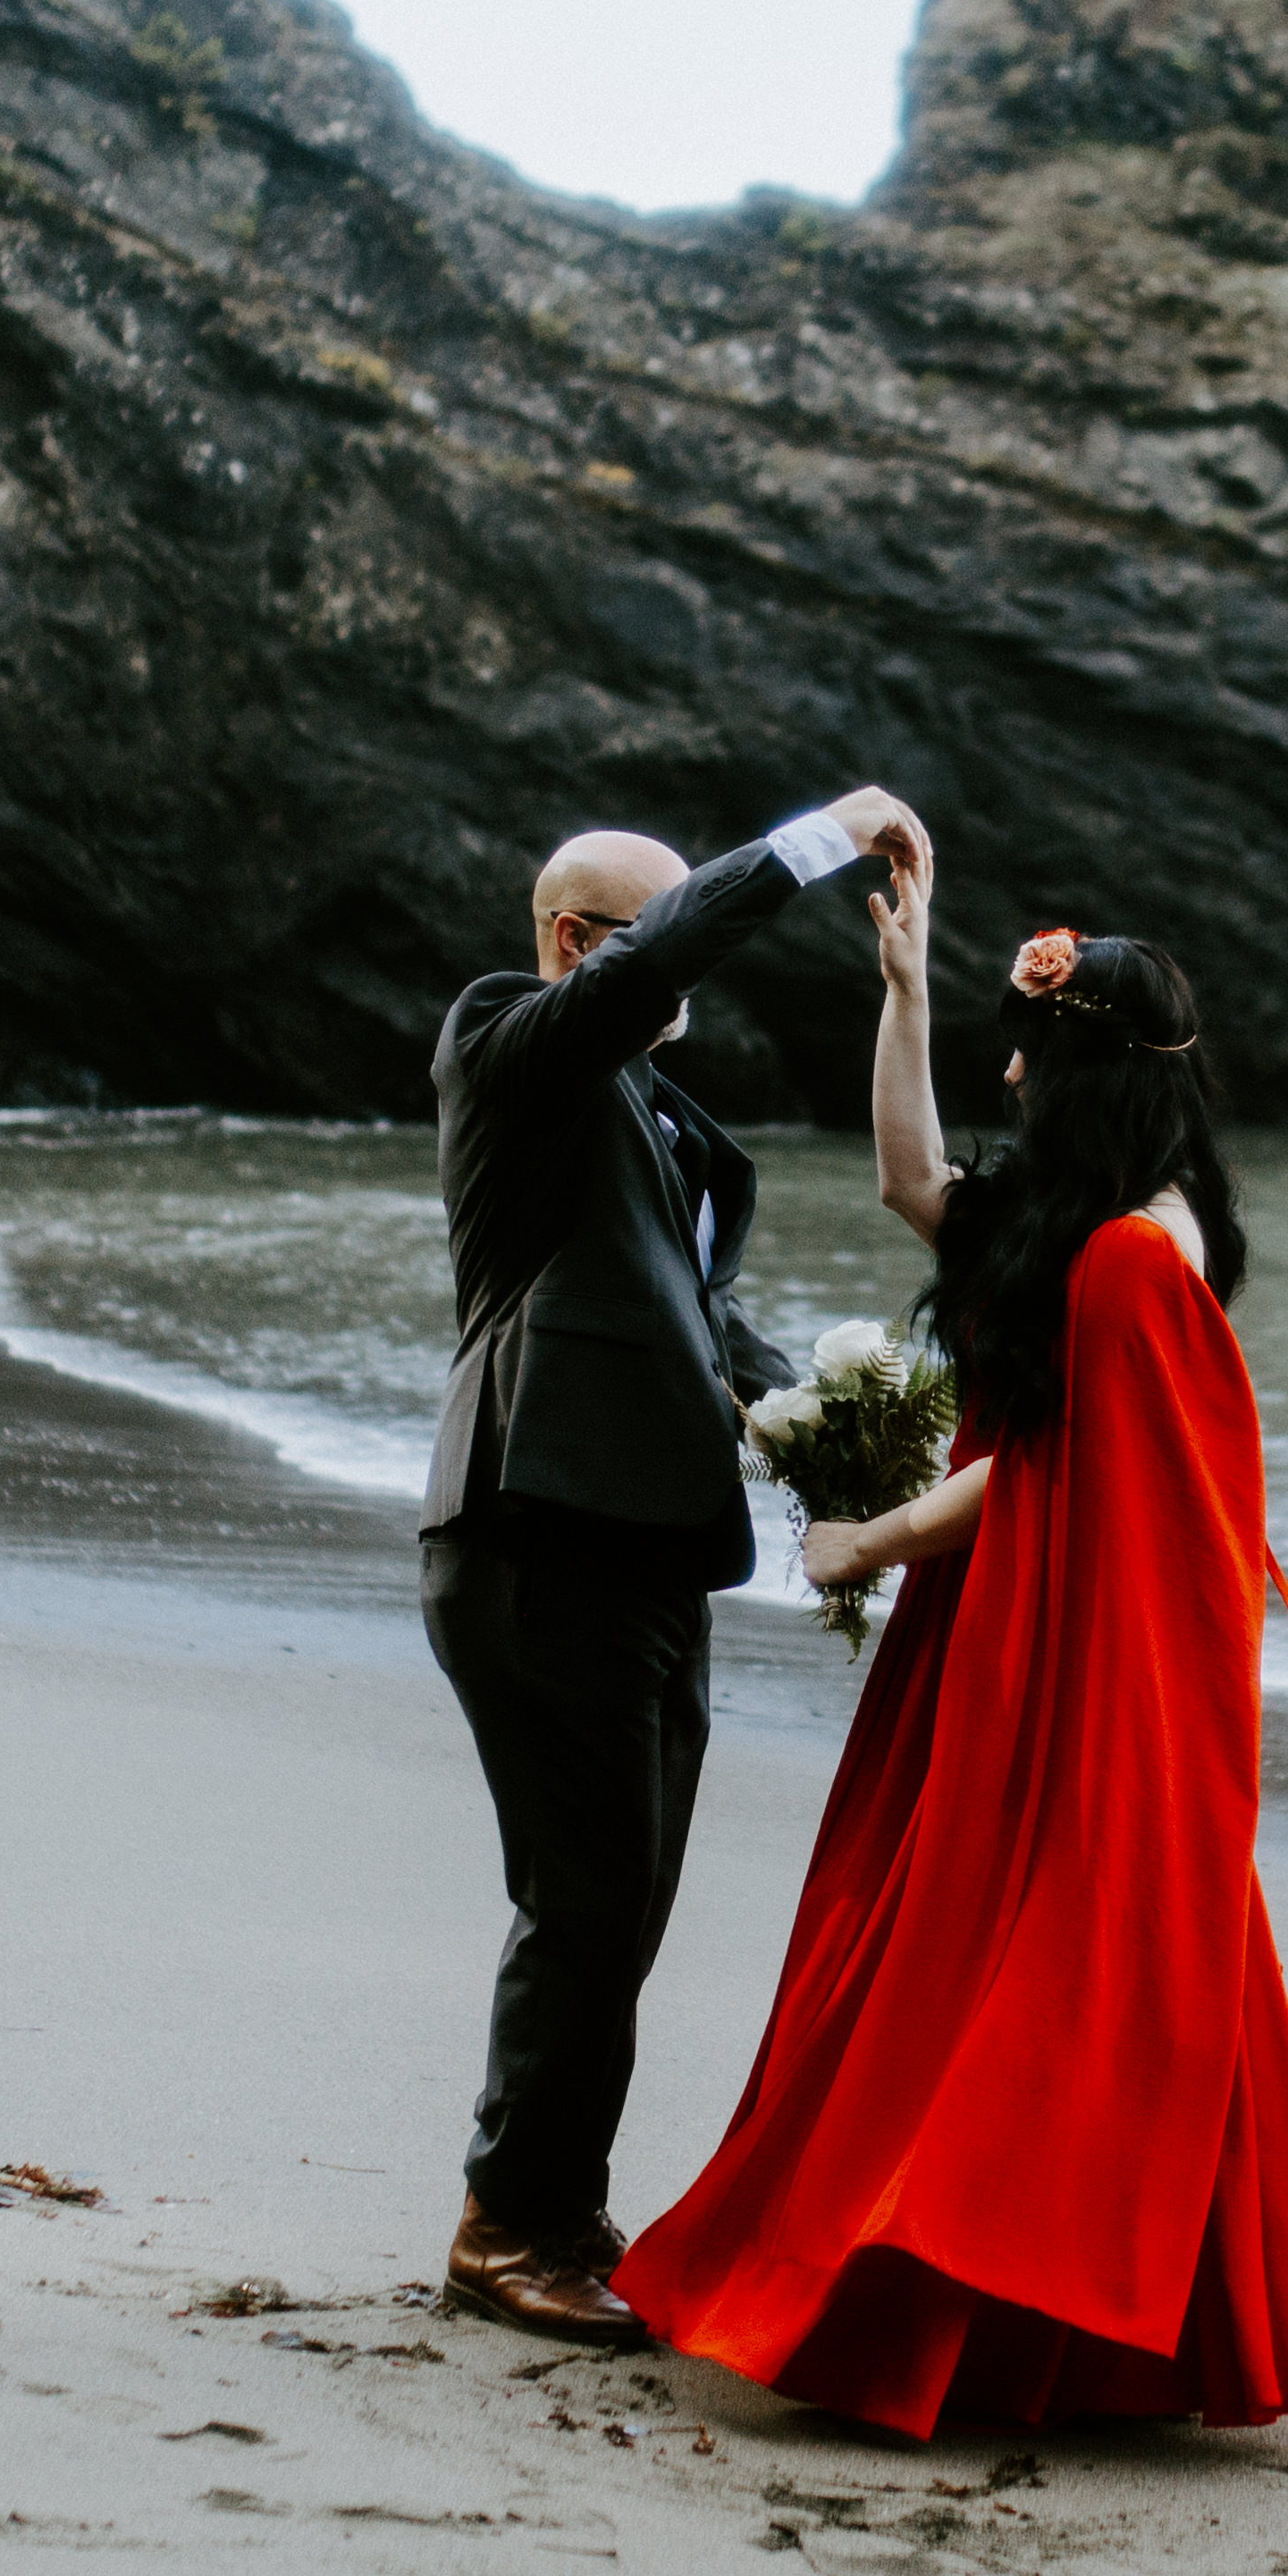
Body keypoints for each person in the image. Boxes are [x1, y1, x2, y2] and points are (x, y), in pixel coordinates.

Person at [607, 863, 1288, 2436]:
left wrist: (871, 1537)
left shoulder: (1136, 1259)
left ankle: (975, 2293)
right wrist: (903, 991)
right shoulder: (1080, 1225)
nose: (1006, 1075)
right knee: (962, 1947)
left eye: (1025, 1050)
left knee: (1004, 1962)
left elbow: (1061, 1474)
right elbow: (912, 1180)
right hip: (1014, 1625)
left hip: (1068, 1650)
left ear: (1087, 1073)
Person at [421, 786, 928, 2348]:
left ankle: (555, 2200)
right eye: (642, 933)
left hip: (648, 1548)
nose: (669, 965)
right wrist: (813, 835)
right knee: (582, 1895)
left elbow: (700, 1330)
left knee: (625, 1899)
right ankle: (511, 2221)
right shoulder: (510, 1041)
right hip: (534, 1525)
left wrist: (864, 1435)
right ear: (578, 941)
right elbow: (650, 969)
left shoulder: (656, 1124)